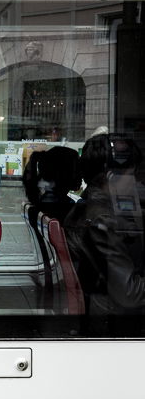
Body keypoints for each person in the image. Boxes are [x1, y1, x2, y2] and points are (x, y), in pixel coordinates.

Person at [63, 134, 145, 314]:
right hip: (115, 320)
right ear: (111, 177)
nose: (137, 182)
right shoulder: (103, 221)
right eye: (132, 175)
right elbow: (130, 295)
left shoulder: (85, 207)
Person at [22, 146, 82, 223]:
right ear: (63, 173)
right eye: (77, 168)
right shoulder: (62, 208)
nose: (82, 174)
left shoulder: (46, 202)